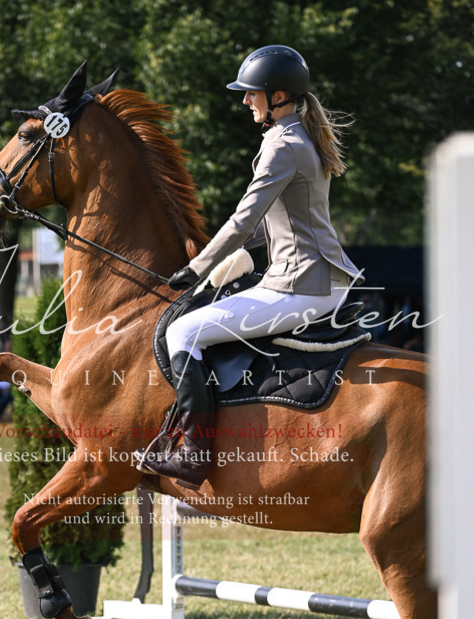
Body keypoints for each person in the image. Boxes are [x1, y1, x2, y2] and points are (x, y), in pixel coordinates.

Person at [138, 44, 363, 488]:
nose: (245, 101)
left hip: (301, 286)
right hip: (313, 277)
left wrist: (199, 267)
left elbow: (243, 220)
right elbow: (278, 224)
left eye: (251, 93)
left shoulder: (283, 144)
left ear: (278, 95)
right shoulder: (301, 135)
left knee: (182, 332)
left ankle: (193, 456)